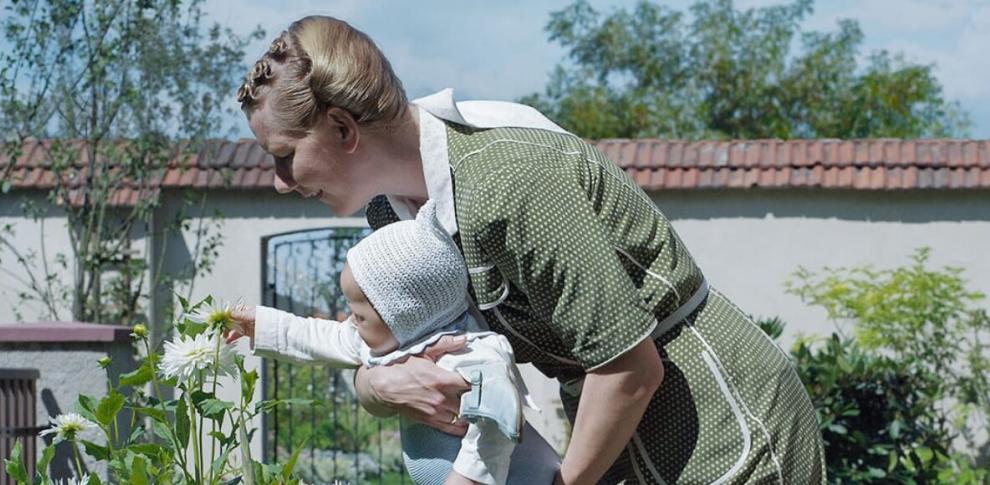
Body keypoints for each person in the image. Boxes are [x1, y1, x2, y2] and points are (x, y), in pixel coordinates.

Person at [231, 15, 826, 484]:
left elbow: (628, 367)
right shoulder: (391, 214)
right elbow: (382, 346)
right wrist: (378, 388)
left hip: (717, 417)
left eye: (284, 155)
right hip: (617, 434)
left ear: (342, 128)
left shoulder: (510, 180)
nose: (281, 181)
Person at [233, 200, 560, 484]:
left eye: (359, 315)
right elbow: (320, 336)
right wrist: (259, 324)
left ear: (404, 315)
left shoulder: (469, 351)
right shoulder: (389, 338)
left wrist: (467, 478)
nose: (350, 323)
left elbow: (498, 418)